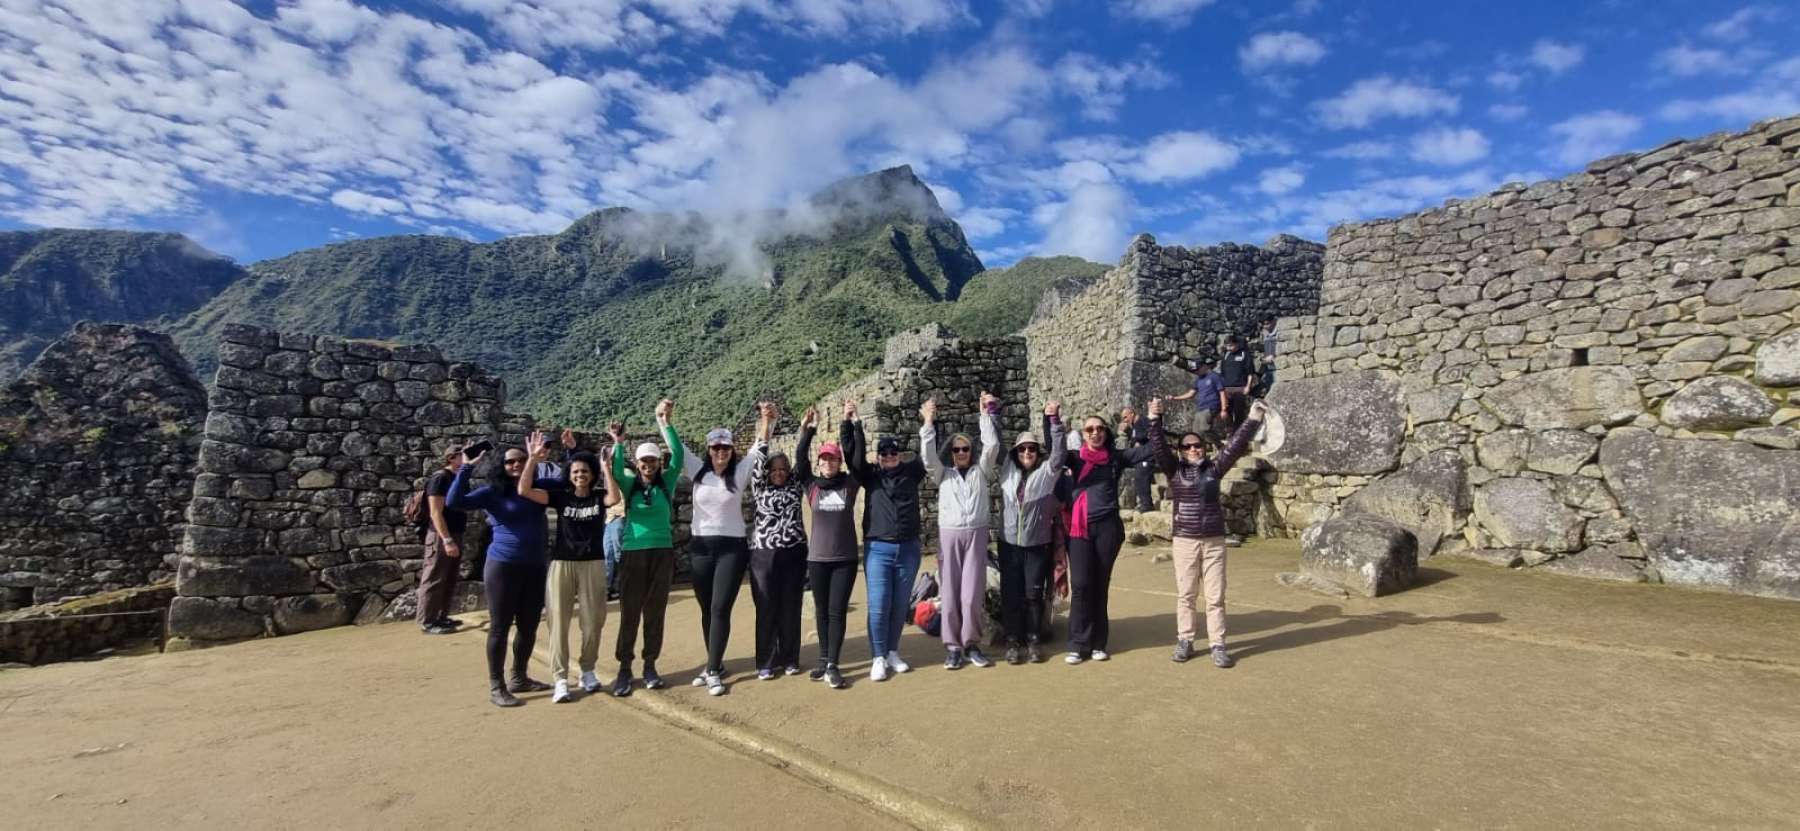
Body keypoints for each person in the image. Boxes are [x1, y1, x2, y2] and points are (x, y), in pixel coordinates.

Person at [1147, 397, 1265, 668]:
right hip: (1185, 539)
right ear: (1181, 451)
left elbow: (1235, 446)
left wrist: (1254, 417)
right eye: (1187, 446)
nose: (1192, 449)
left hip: (1213, 539)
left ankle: (1218, 644)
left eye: (1197, 445)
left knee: (1215, 596)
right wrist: (1155, 419)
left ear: (1204, 448)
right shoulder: (1174, 471)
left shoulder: (1215, 468)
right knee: (1186, 594)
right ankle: (1185, 640)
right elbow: (1158, 446)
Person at [446, 443, 551, 708]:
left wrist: (571, 451)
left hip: (535, 566)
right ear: (500, 467)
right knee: (500, 626)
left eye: (520, 460)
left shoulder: (537, 490)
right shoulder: (492, 493)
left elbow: (572, 482)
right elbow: (454, 501)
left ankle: (519, 677)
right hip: (503, 566)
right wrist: (467, 468)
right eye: (509, 462)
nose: (515, 465)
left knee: (529, 625)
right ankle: (497, 685)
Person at [519, 433, 620, 703]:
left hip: (592, 563)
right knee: (558, 622)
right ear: (569, 473)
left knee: (593, 621)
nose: (580, 475)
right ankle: (560, 678)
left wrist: (607, 468)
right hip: (562, 563)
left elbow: (614, 497)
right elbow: (524, 490)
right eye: (575, 471)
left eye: (585, 471)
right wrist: (531, 459)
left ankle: (587, 670)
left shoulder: (598, 497)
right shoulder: (560, 497)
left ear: (592, 473)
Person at [1059, 411, 1158, 665]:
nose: (1095, 433)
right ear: (1082, 435)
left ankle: (1097, 643)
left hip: (1107, 529)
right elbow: (1055, 454)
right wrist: (1052, 422)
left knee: (1099, 585)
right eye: (1089, 429)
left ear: (1106, 432)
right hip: (1079, 530)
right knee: (1080, 584)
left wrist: (1154, 421)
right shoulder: (1074, 459)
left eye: (1099, 428)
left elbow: (1150, 450)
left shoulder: (1115, 458)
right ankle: (1078, 643)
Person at [682, 414, 765, 697]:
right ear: (709, 450)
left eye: (726, 448)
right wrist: (663, 419)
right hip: (701, 548)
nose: (721, 453)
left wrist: (767, 420)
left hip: (731, 548)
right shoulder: (697, 472)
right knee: (707, 609)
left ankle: (714, 670)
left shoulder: (739, 473)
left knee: (720, 608)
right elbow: (676, 446)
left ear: (731, 450)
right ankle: (713, 663)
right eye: (716, 448)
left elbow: (758, 448)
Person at [844, 401, 927, 679]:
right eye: (884, 454)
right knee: (879, 605)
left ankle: (892, 651)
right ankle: (878, 656)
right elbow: (852, 459)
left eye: (893, 453)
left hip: (908, 549)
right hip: (878, 548)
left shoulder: (911, 474)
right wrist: (852, 424)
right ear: (878, 457)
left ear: (900, 456)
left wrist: (928, 421)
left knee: (900, 605)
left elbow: (928, 454)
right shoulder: (871, 477)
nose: (889, 456)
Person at [608, 400, 685, 698]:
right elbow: (616, 469)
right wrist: (618, 443)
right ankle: (624, 669)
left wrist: (665, 423)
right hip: (633, 552)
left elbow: (677, 455)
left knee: (655, 611)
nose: (648, 465)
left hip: (662, 552)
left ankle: (650, 664)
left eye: (653, 460)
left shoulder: (666, 481)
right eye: (644, 461)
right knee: (630, 612)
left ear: (657, 462)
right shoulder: (630, 486)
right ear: (637, 463)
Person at [922, 394, 1001, 670]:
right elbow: (928, 457)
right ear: (951, 453)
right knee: (951, 594)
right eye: (956, 450)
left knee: (971, 594)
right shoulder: (943, 475)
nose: (961, 453)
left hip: (976, 535)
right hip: (950, 535)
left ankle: (971, 643)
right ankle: (953, 647)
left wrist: (984, 416)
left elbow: (992, 445)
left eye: (965, 448)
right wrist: (928, 423)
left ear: (971, 451)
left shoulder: (982, 471)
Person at [997, 399, 1065, 664]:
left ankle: (1034, 639)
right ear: (1016, 452)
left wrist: (1054, 421)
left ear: (1038, 453)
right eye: (1023, 448)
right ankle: (1013, 640)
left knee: (1033, 594)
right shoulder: (1007, 471)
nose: (1027, 452)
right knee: (1011, 594)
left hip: (1037, 545)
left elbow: (1059, 454)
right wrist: (990, 414)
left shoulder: (1046, 475)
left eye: (1032, 449)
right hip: (1009, 544)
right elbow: (994, 445)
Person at [747, 402, 808, 682]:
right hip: (764, 556)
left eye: (784, 468)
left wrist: (805, 429)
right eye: (775, 468)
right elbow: (759, 456)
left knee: (791, 606)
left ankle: (791, 658)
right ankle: (766, 661)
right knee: (767, 607)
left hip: (794, 553)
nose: (780, 472)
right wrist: (765, 423)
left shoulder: (795, 486)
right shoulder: (760, 487)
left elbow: (801, 456)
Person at [805, 401, 864, 688]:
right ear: (819, 463)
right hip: (817, 559)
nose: (828, 463)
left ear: (838, 462)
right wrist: (808, 429)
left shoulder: (849, 484)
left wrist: (852, 423)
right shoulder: (812, 486)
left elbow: (859, 458)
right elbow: (799, 461)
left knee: (836, 610)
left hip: (844, 559)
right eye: (824, 459)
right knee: (820, 609)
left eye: (833, 459)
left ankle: (833, 664)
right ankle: (823, 658)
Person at [417, 447, 466, 636]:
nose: (466, 458)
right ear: (452, 458)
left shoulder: (457, 478)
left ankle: (441, 616)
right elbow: (435, 512)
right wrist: (446, 539)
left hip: (456, 532)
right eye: (462, 455)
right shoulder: (440, 478)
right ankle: (428, 621)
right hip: (441, 535)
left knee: (449, 577)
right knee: (434, 577)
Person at [1169, 356, 1227, 437]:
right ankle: (1200, 446)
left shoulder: (1214, 376)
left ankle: (1220, 446)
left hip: (1211, 407)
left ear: (1204, 366)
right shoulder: (1198, 380)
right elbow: (1191, 393)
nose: (1196, 372)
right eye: (1195, 370)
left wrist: (1224, 409)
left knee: (1204, 428)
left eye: (1197, 369)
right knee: (1195, 432)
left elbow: (1222, 392)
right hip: (1201, 408)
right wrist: (1175, 398)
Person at [1117, 405, 1156, 512]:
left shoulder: (1143, 420)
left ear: (1132, 414)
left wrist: (1138, 440)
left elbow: (1151, 434)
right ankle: (1144, 503)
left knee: (1138, 468)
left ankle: (1146, 504)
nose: (1124, 420)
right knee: (1137, 470)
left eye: (1125, 417)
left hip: (1149, 453)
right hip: (1141, 456)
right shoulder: (1134, 426)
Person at [1217, 334, 1255, 430]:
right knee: (1227, 413)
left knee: (1239, 413)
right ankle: (1229, 432)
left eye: (1231, 345)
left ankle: (1238, 434)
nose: (1228, 348)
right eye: (1227, 346)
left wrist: (1248, 386)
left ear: (1236, 344)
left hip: (1240, 388)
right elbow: (1222, 373)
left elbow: (1250, 372)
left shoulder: (1244, 354)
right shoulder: (1226, 355)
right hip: (1227, 389)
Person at [1258, 317, 1278, 395]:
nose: (1265, 326)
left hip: (1277, 367)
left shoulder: (1280, 333)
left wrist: (1274, 356)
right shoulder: (1265, 334)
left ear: (1273, 321)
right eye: (1263, 324)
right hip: (1268, 367)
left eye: (1267, 324)